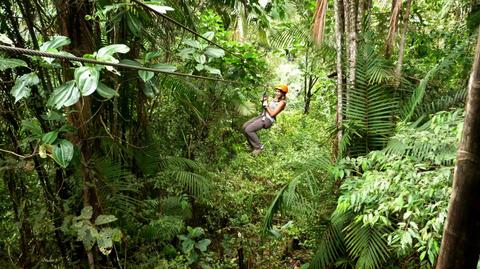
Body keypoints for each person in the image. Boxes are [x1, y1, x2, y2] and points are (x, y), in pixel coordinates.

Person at [242, 84, 288, 155]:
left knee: (249, 130)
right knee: (244, 127)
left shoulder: (282, 103)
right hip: (263, 116)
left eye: (279, 92)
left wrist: (266, 105)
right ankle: (253, 147)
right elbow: (267, 107)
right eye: (276, 91)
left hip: (268, 120)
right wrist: (264, 101)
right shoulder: (275, 99)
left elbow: (272, 114)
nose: (276, 93)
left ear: (283, 93)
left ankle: (258, 147)